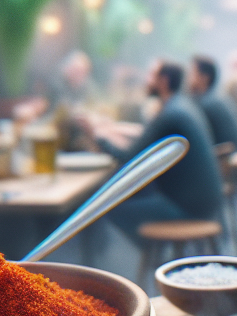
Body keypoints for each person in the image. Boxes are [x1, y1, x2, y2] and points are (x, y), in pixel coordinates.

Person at [90, 60, 222, 228]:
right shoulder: (180, 105)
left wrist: (99, 137)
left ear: (164, 81)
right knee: (137, 194)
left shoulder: (169, 114)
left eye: (151, 75)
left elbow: (129, 159)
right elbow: (146, 138)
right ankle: (151, 252)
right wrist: (113, 131)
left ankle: (148, 253)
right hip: (204, 202)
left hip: (188, 210)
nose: (146, 80)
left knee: (105, 208)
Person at [187, 56, 237, 151]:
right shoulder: (216, 97)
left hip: (228, 159)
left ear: (204, 77)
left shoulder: (206, 104)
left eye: (191, 73)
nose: (187, 79)